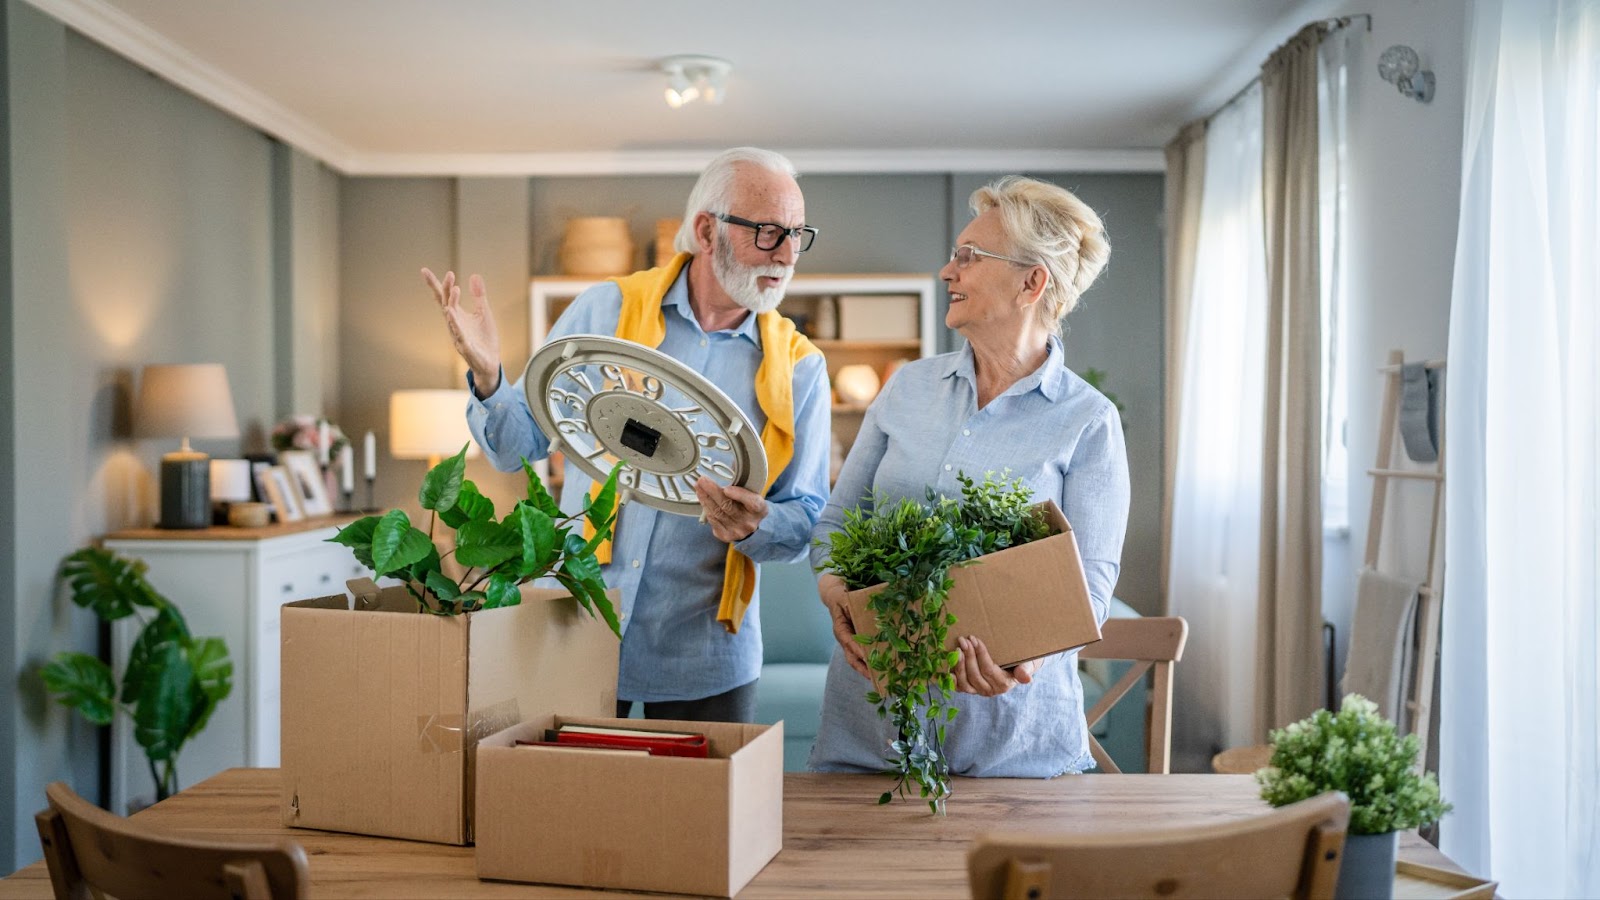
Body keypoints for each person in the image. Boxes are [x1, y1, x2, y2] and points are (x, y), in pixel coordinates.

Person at [421, 147, 831, 724]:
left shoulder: (801, 367)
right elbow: (517, 449)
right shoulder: (605, 311)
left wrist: (759, 525)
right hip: (575, 626)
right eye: (767, 232)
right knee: (569, 806)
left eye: (796, 233)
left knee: (697, 815)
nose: (787, 254)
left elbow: (808, 515)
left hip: (706, 655)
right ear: (707, 230)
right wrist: (489, 376)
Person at [808, 175, 1128, 777]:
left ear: (1032, 282)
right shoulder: (906, 388)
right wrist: (836, 598)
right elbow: (837, 521)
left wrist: (1020, 662)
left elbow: (1089, 589)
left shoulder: (1088, 421)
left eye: (969, 256)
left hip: (1010, 750)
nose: (947, 271)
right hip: (869, 735)